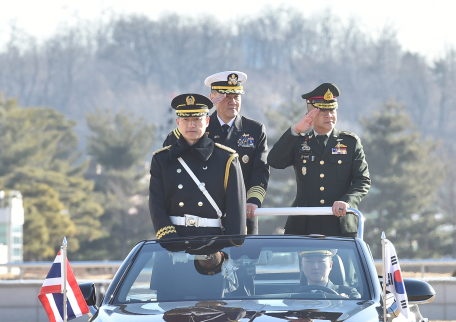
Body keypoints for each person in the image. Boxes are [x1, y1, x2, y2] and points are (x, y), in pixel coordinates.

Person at [163, 71, 270, 234]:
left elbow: (260, 170)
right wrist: (201, 112)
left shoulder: (255, 130)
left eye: (236, 97)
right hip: (205, 213)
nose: (232, 102)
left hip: (242, 211)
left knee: (244, 257)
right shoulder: (199, 126)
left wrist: (253, 201)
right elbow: (169, 147)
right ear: (213, 97)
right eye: (227, 97)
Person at [267, 83, 371, 237]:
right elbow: (274, 161)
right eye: (323, 111)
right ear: (311, 114)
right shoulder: (299, 141)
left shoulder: (350, 142)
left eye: (332, 110)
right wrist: (295, 131)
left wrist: (347, 201)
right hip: (304, 224)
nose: (329, 115)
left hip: (340, 223)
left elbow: (362, 180)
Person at [148, 93, 246, 239]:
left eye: (197, 119)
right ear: (178, 122)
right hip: (173, 238)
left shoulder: (227, 159)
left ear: (207, 121)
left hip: (213, 239)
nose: (191, 125)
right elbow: (156, 204)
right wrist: (169, 239)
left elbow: (235, 207)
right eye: (186, 120)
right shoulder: (161, 159)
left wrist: (229, 245)